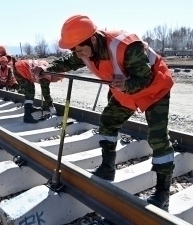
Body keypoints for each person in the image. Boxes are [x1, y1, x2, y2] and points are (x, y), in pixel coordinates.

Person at [32, 15, 175, 210]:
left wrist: (126, 84)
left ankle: (162, 193)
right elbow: (68, 62)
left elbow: (145, 78)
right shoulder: (85, 50)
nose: (79, 54)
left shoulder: (125, 45)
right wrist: (47, 68)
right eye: (75, 50)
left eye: (80, 49)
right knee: (107, 121)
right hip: (125, 91)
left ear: (92, 39)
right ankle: (107, 169)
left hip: (154, 90)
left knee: (157, 138)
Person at [13, 59, 60, 123]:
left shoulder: (47, 67)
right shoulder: (47, 75)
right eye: (58, 79)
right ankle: (27, 116)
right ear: (55, 74)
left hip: (21, 66)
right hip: (21, 69)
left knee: (31, 88)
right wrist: (51, 107)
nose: (57, 81)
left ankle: (30, 108)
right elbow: (46, 93)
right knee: (29, 91)